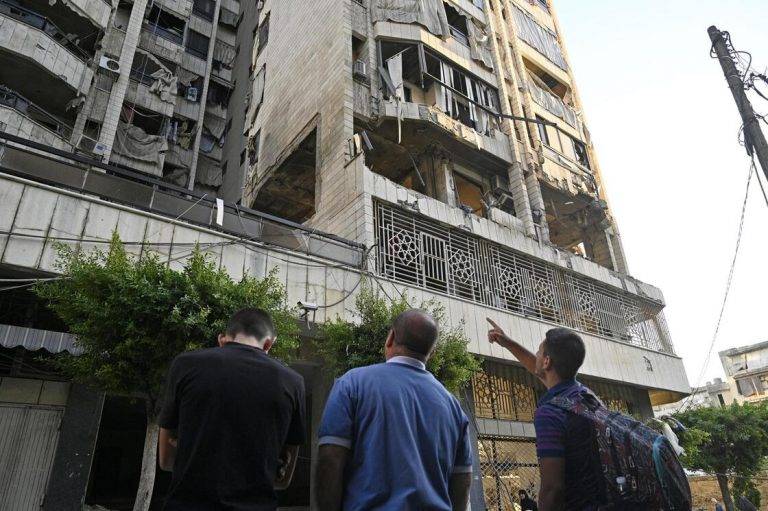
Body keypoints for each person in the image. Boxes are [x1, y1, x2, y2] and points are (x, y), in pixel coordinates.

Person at [314, 309, 473, 511]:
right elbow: (463, 481)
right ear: (431, 353)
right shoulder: (453, 407)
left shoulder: (352, 384)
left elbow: (330, 459)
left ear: (391, 338)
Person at [157, 308, 306, 510]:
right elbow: (283, 480)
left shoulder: (185, 365)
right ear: (269, 343)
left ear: (222, 339)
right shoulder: (293, 382)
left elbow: (166, 460)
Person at [487, 319, 603, 511]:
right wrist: (506, 342)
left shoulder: (550, 413)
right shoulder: (586, 397)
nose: (537, 356)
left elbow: (552, 490)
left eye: (539, 352)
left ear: (547, 361)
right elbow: (539, 369)